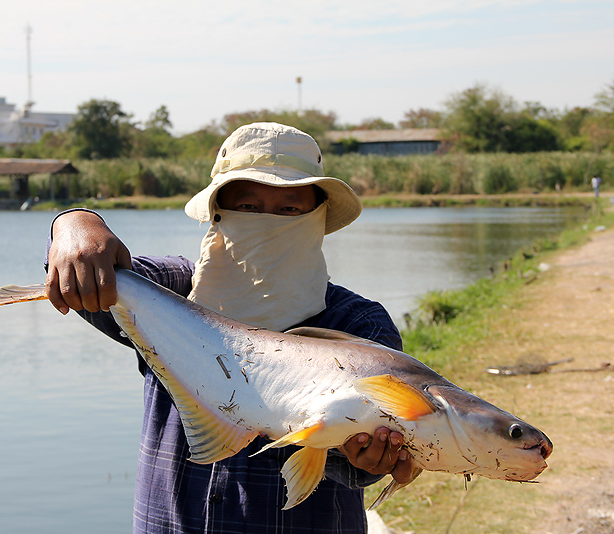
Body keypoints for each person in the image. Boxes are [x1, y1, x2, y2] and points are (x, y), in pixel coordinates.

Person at [45, 122, 419, 533]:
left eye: (289, 209)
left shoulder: (356, 324)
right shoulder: (170, 294)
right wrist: (74, 223)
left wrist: (366, 456)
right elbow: (88, 278)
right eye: (248, 206)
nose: (267, 222)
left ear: (317, 216)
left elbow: (359, 464)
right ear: (219, 212)